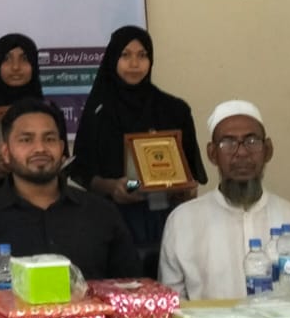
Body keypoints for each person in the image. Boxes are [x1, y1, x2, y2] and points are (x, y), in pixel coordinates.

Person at [0, 99, 140, 308]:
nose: (40, 148)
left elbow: (131, 291)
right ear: (6, 153)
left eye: (49, 139)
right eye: (26, 140)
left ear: (62, 149)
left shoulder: (102, 214)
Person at [158, 100, 290, 300]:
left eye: (252, 141)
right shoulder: (182, 222)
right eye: (228, 143)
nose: (241, 152)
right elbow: (171, 306)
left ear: (268, 150)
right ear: (212, 154)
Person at [75, 25, 206, 253]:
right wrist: (112, 187)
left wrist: (184, 188)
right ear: (113, 59)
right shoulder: (99, 112)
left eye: (142, 55)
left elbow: (189, 173)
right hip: (112, 219)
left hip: (168, 219)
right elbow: (82, 170)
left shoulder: (174, 109)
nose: (134, 64)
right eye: (125, 55)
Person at [0, 33, 45, 183]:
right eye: (7, 59)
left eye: (24, 59)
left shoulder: (49, 112)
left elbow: (64, 172)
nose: (15, 67)